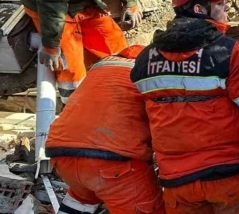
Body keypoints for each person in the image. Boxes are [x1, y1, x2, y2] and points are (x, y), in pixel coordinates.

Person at [130, 0, 239, 214]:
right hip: (228, 174)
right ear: (199, 9)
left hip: (177, 181)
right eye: (221, 3)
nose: (226, 9)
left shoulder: (144, 59)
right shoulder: (227, 50)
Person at [47, 45, 164, 214]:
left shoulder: (103, 68)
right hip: (112, 162)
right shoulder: (152, 76)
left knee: (84, 197)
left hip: (61, 156)